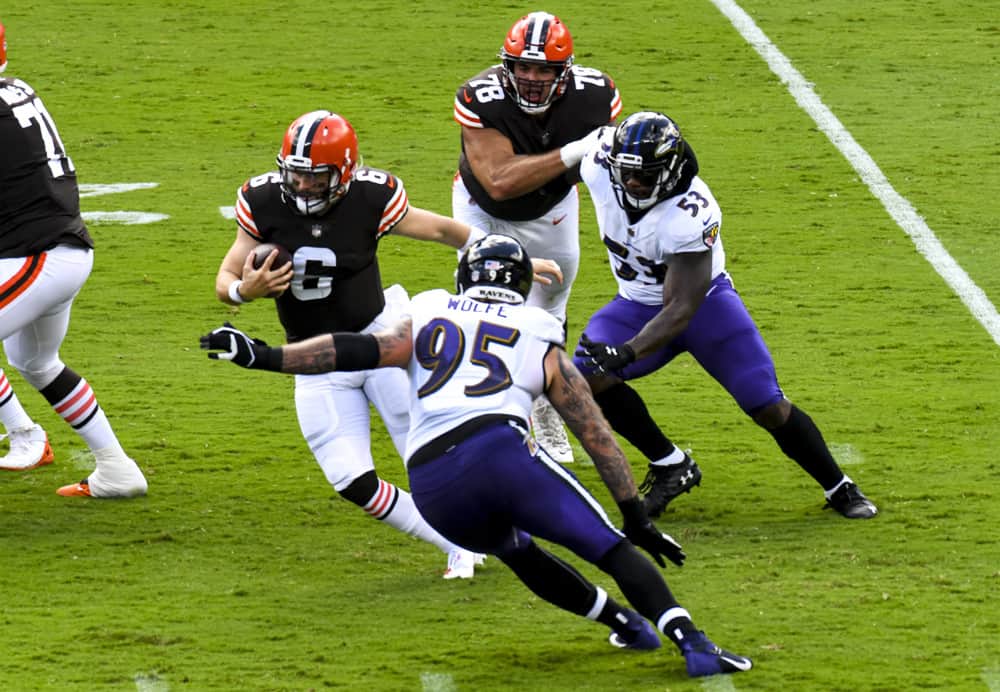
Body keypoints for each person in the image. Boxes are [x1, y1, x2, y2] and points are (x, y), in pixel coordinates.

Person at [201, 234, 753, 678]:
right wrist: (635, 515)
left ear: (464, 276)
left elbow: (353, 349)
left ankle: (624, 625)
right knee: (608, 547)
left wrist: (264, 356)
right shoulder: (538, 329)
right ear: (520, 285)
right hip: (499, 453)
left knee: (517, 551)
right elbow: (595, 433)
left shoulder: (430, 312)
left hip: (433, 482)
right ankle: (693, 642)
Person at [214, 109, 562, 579]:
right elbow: (226, 278)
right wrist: (244, 291)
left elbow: (441, 229)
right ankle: (453, 538)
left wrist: (513, 256)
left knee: (430, 451)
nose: (300, 187)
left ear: (343, 174)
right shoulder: (262, 201)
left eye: (314, 179)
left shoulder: (371, 196)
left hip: (384, 342)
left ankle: (488, 529)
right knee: (350, 480)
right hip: (314, 357)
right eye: (294, 175)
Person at [572, 111, 878, 519]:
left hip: (703, 306)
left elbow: (680, 309)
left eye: (643, 175)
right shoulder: (598, 163)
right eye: (625, 172)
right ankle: (670, 465)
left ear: (669, 169)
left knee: (763, 401)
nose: (631, 183)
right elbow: (558, 171)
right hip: (634, 301)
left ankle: (839, 486)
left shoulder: (690, 212)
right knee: (582, 377)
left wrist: (628, 352)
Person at [451, 11, 621, 463]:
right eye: (522, 66)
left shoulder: (596, 95)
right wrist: (571, 151)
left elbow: (603, 165)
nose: (529, 77)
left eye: (542, 68)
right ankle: (480, 412)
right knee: (482, 307)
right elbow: (499, 182)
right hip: (481, 210)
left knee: (548, 318)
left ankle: (544, 409)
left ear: (562, 72)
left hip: (553, 212)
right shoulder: (481, 96)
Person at [0, 20, 147, 498]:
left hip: (36, 256)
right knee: (35, 360)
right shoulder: (16, 89)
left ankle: (29, 436)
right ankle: (116, 469)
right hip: (54, 251)